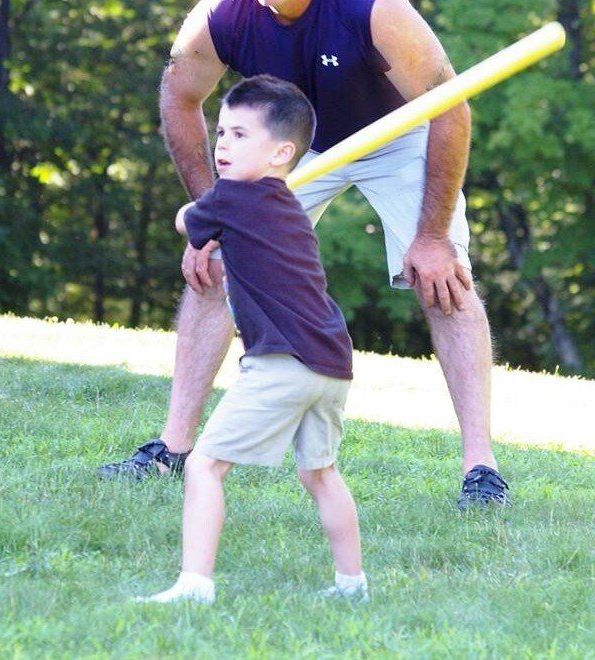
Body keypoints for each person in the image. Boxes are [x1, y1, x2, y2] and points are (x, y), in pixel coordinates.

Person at [97, 0, 510, 508]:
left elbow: (451, 108)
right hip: (300, 146)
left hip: (401, 136)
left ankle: (481, 470)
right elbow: (179, 98)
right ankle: (171, 449)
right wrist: (214, 213)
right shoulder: (222, 16)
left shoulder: (376, 11)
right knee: (217, 264)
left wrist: (431, 237)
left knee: (443, 279)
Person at [134, 75, 367, 605]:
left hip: (281, 361)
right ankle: (352, 586)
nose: (222, 146)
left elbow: (186, 222)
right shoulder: (285, 205)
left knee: (204, 465)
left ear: (283, 152)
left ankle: (195, 585)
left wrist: (196, 216)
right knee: (321, 474)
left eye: (240, 135)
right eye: (221, 134)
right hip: (331, 363)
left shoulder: (234, 198)